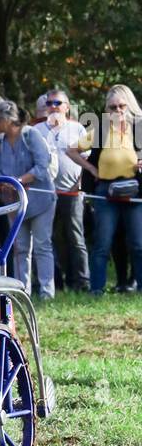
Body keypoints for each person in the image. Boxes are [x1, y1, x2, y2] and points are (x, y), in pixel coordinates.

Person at [66, 84, 142, 296]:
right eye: (112, 107)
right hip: (105, 191)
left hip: (133, 190)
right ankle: (96, 289)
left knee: (138, 244)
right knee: (102, 243)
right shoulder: (100, 130)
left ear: (129, 106)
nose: (117, 111)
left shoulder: (139, 128)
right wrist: (91, 168)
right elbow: (71, 150)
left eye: (121, 106)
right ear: (106, 109)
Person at [0, 100, 56, 298]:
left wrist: (19, 181)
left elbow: (42, 165)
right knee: (20, 248)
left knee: (43, 245)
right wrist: (5, 184)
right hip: (13, 202)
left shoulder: (31, 135)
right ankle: (22, 291)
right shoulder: (0, 142)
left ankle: (46, 292)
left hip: (40, 200)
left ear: (5, 120)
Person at [39, 89, 90, 292]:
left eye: (57, 103)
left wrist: (80, 183)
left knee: (76, 237)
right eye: (49, 103)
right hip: (46, 193)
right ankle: (56, 284)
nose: (53, 107)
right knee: (48, 239)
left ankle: (82, 282)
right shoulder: (37, 131)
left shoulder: (78, 129)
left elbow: (87, 160)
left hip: (73, 191)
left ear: (67, 107)